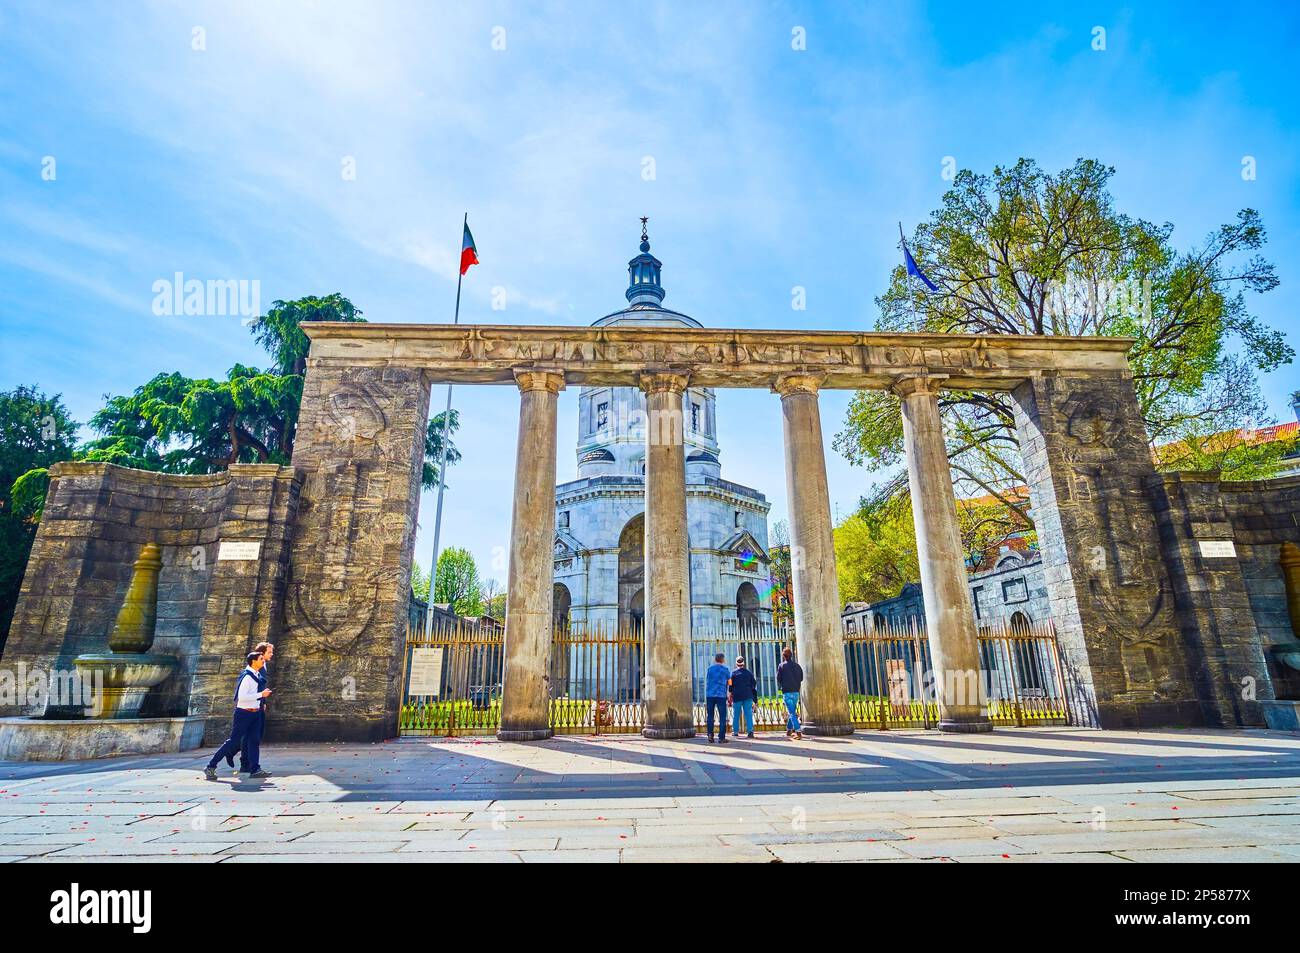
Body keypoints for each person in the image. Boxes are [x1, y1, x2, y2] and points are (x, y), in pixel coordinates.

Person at [204, 652, 272, 780]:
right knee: (233, 741)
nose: (263, 661)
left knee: (254, 741)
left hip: (255, 713)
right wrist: (260, 695)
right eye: (261, 659)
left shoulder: (256, 675)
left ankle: (255, 769)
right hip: (244, 713)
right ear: (253, 661)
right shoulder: (247, 677)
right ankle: (211, 766)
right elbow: (242, 697)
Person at [234, 642, 273, 773]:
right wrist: (262, 698)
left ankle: (250, 765)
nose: (271, 654)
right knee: (250, 736)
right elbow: (246, 692)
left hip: (258, 703)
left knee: (253, 736)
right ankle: (245, 763)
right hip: (251, 706)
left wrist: (264, 701)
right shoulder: (254, 670)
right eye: (269, 652)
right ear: (261, 654)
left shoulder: (262, 667)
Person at [777, 646, 803, 740]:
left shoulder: (781, 666)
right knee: (792, 711)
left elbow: (779, 678)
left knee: (791, 712)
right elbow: (801, 678)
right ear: (791, 656)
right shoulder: (797, 666)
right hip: (796, 691)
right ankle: (788, 730)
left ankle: (798, 731)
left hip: (787, 692)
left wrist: (784, 683)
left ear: (784, 656)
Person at [728, 656, 757, 739]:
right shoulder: (749, 673)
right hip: (747, 695)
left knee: (736, 714)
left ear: (736, 663)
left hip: (737, 696)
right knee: (748, 714)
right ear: (743, 663)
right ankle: (750, 731)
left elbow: (730, 685)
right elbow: (754, 684)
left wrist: (730, 694)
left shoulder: (733, 673)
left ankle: (735, 731)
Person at [704, 652, 730, 743]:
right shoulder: (726, 669)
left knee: (710, 716)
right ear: (723, 660)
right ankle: (721, 737)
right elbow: (730, 682)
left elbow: (708, 680)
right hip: (721, 695)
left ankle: (710, 735)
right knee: (722, 716)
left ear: (715, 659)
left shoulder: (710, 669)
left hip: (710, 694)